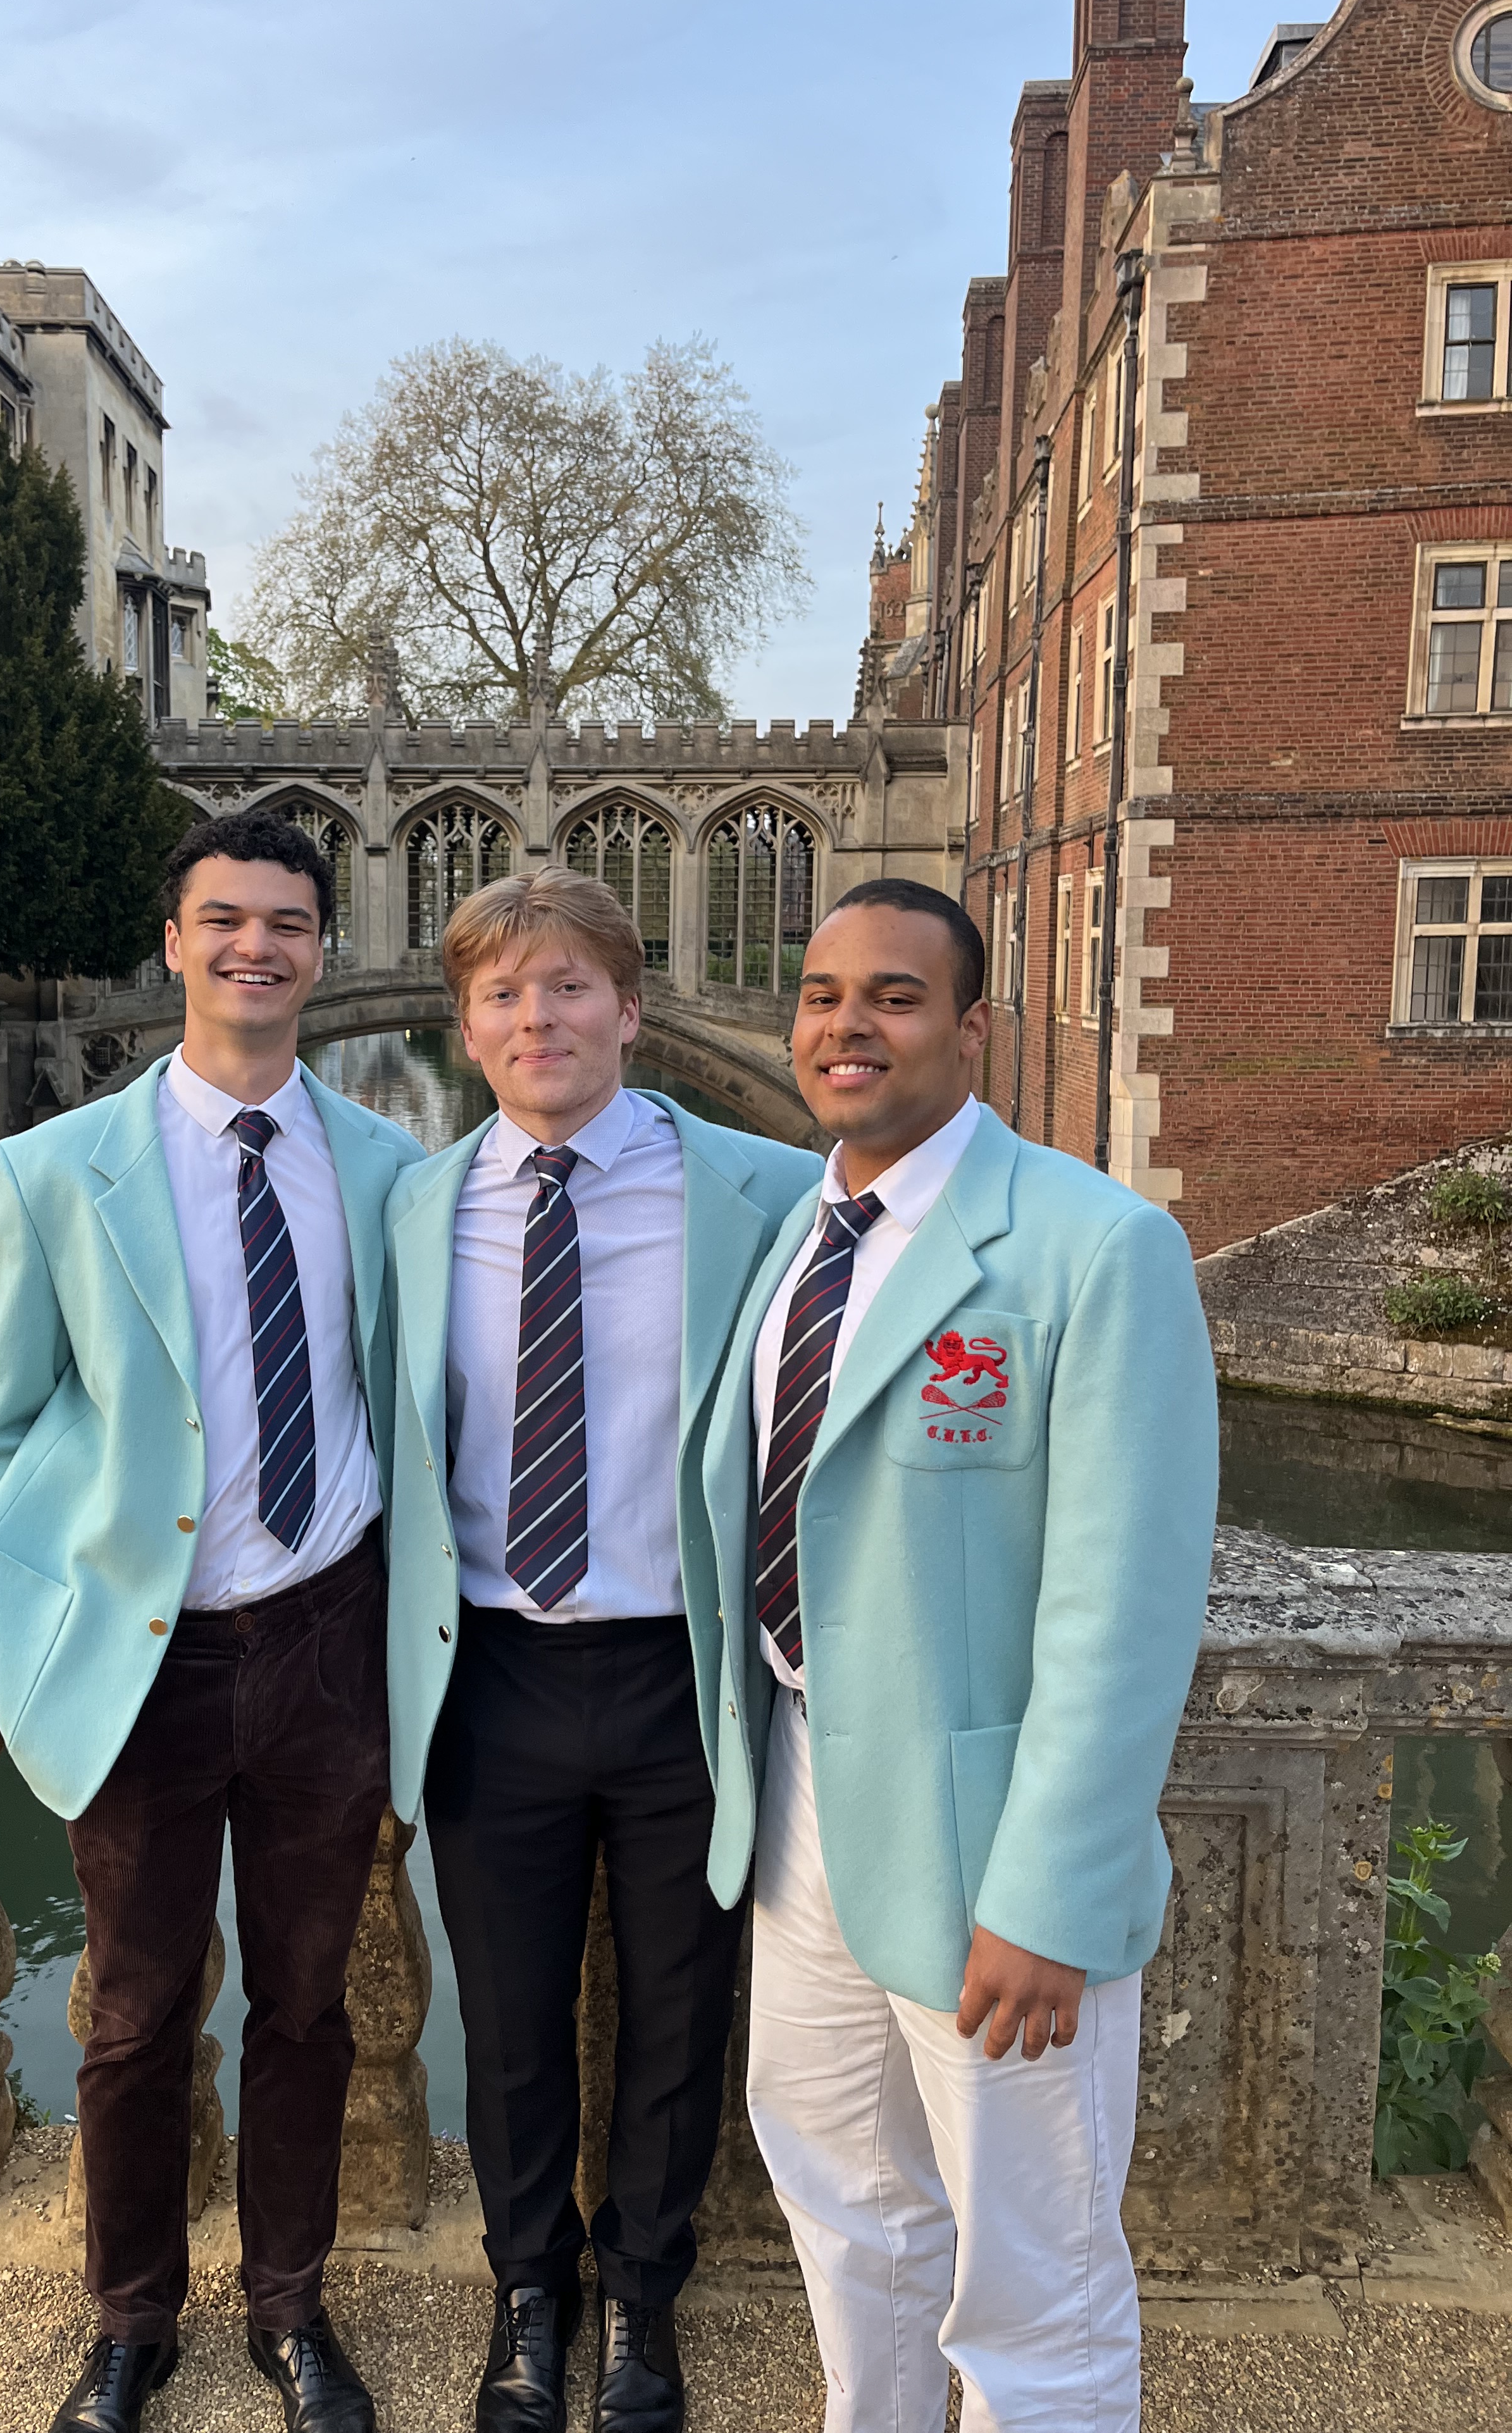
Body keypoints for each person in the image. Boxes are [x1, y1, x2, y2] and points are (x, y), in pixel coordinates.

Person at [700, 878, 1217, 2433]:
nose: (845, 1024)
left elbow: (1125, 1608)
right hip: (802, 1789)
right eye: (820, 994)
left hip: (993, 1839)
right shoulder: (801, 1232)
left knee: (1033, 2273)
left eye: (895, 996)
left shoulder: (1097, 1246)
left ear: (974, 1027)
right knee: (845, 2200)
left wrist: (1053, 1889)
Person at [0, 809, 422, 2433]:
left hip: (326, 1640)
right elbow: (2, 1442)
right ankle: (131, 2322)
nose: (255, 947)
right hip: (146, 1658)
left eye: (287, 922)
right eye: (224, 919)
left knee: (307, 2003)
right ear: (174, 945)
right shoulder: (52, 1173)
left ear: (323, 950)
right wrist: (47, 1629)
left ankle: (291, 2309)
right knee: (135, 2012)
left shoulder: (390, 1171)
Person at [384, 868, 821, 2433]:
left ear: (630, 1010)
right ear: (468, 1029)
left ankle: (642, 2292)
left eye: (569, 986)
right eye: (503, 995)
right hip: (491, 1670)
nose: (538, 1019)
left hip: (680, 1672)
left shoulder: (764, 1190)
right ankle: (528, 2292)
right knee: (508, 2020)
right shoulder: (415, 1206)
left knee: (681, 2009)